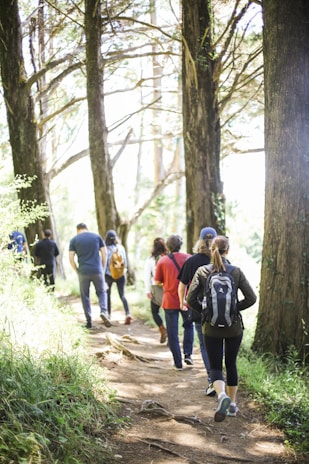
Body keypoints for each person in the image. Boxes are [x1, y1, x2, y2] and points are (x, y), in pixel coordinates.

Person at [186, 235, 256, 422]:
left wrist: (206, 311)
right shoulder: (236, 271)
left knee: (216, 366)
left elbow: (190, 300)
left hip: (211, 328)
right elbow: (251, 298)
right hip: (233, 328)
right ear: (228, 250)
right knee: (231, 364)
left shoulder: (202, 272)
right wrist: (234, 309)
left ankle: (221, 395)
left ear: (211, 250)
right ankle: (232, 405)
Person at [178, 227, 217, 396]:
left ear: (200, 241)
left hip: (198, 310)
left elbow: (182, 285)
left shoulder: (192, 261)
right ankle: (220, 377)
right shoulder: (223, 261)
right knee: (218, 344)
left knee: (204, 345)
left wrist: (182, 303)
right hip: (220, 311)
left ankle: (212, 380)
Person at [154, 234, 193, 370]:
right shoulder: (188, 258)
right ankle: (188, 354)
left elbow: (157, 281)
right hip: (186, 299)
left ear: (168, 246)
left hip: (170, 300)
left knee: (172, 333)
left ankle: (178, 363)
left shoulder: (163, 261)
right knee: (189, 326)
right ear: (180, 245)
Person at [69, 223, 111, 329]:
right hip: (97, 270)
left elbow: (71, 258)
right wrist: (102, 269)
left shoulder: (74, 240)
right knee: (101, 292)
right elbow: (104, 254)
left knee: (85, 296)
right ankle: (104, 312)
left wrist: (77, 270)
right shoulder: (97, 237)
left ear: (77, 230)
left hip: (83, 271)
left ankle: (89, 321)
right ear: (86, 229)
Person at [105, 230, 132, 325]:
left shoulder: (105, 249)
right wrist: (123, 271)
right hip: (121, 275)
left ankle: (108, 315)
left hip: (108, 275)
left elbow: (104, 263)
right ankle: (128, 313)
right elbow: (125, 262)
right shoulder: (121, 248)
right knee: (122, 295)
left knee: (107, 294)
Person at [144, 237, 168, 344]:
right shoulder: (169, 257)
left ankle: (162, 329)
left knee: (155, 311)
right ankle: (171, 337)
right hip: (169, 289)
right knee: (169, 313)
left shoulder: (151, 259)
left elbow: (146, 276)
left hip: (156, 289)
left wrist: (147, 291)